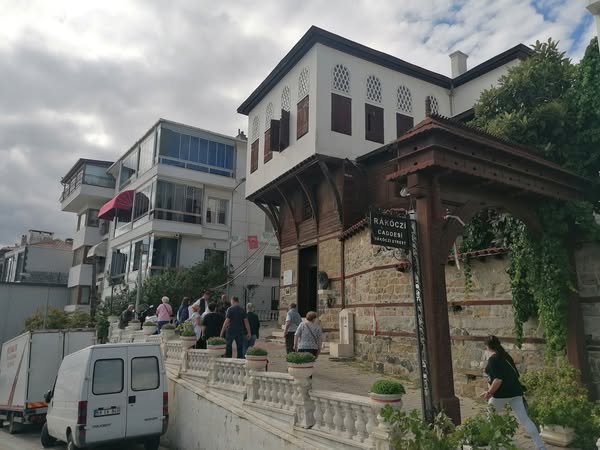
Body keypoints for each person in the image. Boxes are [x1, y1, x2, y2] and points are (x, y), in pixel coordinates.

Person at [481, 335, 547, 450]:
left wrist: (489, 392)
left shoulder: (493, 360)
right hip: (516, 392)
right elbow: (516, 374)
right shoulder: (506, 356)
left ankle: (489, 446)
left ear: (487, 347)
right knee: (525, 419)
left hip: (501, 394)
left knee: (489, 420)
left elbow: (498, 380)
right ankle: (540, 447)